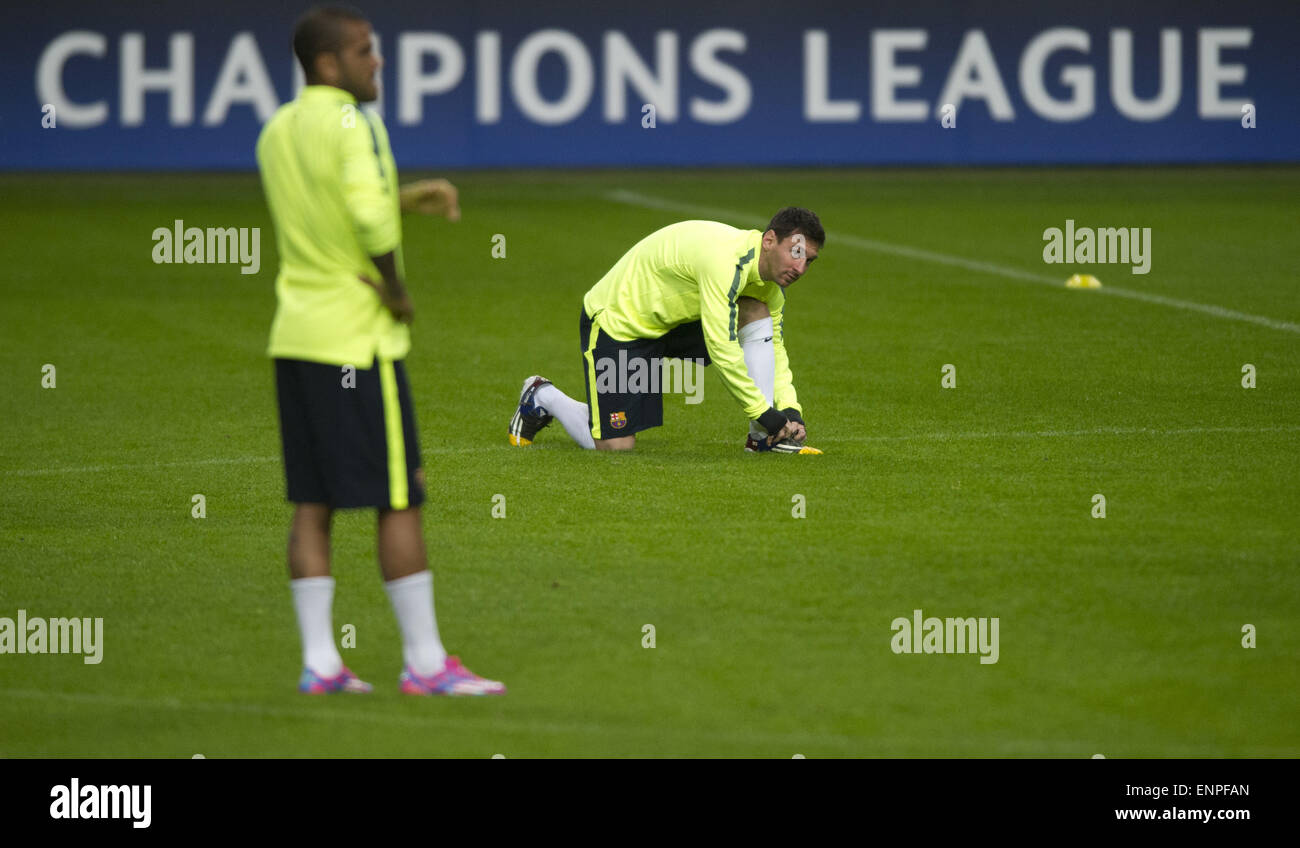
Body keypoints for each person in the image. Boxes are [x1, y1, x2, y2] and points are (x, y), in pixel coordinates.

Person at [257, 4, 503, 695]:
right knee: (400, 496)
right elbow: (362, 217)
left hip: (297, 335)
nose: (378, 61)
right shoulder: (355, 122)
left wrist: (404, 197)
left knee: (312, 501)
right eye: (365, 51)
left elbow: (325, 211)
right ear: (329, 63)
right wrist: (396, 289)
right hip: (356, 342)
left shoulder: (277, 129)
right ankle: (426, 664)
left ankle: (321, 664)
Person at [508, 210, 825, 454]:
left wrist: (789, 408)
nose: (800, 269)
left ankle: (762, 439)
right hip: (621, 324)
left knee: (755, 311)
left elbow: (775, 347)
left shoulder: (769, 286)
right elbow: (721, 347)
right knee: (615, 445)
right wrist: (764, 411)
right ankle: (541, 394)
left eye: (809, 261)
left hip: (673, 324)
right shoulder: (725, 261)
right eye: (796, 254)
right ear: (769, 240)